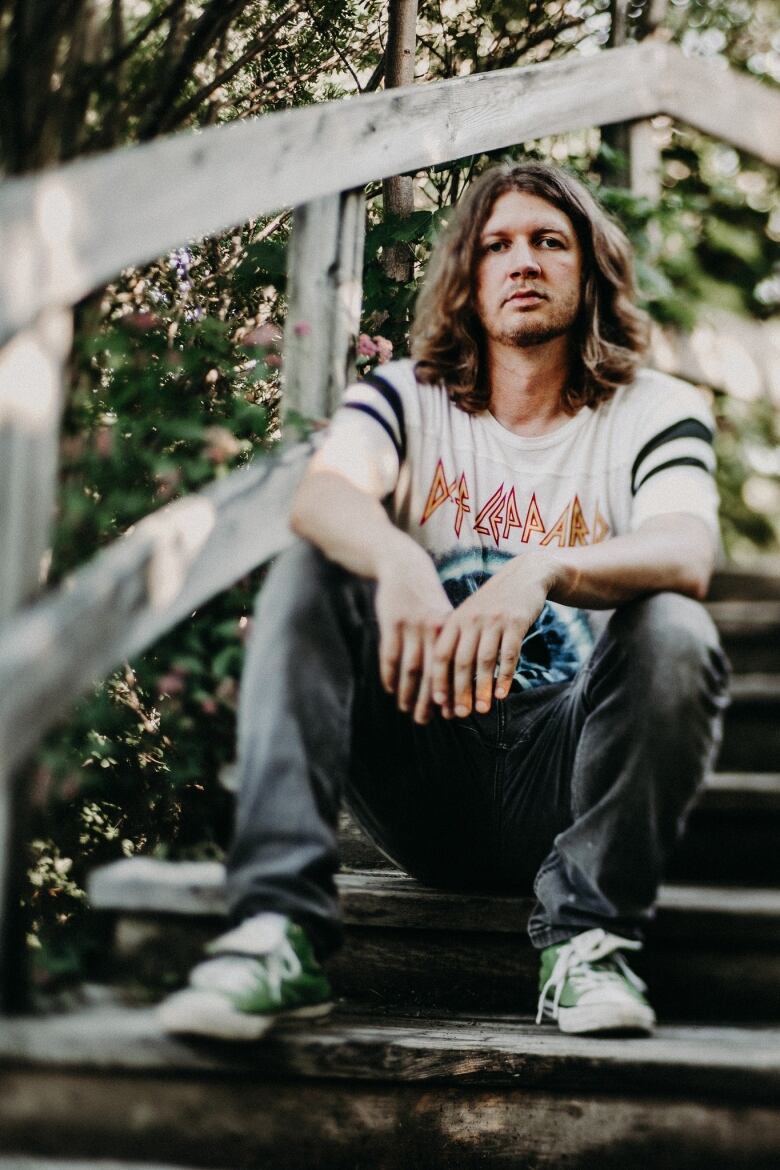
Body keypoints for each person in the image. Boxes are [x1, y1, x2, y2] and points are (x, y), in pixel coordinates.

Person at [159, 160, 730, 1042]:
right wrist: (396, 560)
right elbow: (323, 496)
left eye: (549, 241)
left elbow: (688, 549)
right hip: (423, 765)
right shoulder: (405, 398)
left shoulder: (652, 409)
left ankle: (588, 940)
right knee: (314, 568)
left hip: (567, 773)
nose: (523, 262)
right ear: (467, 276)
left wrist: (545, 568)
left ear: (591, 269)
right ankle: (277, 930)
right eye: (497, 245)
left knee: (676, 623)